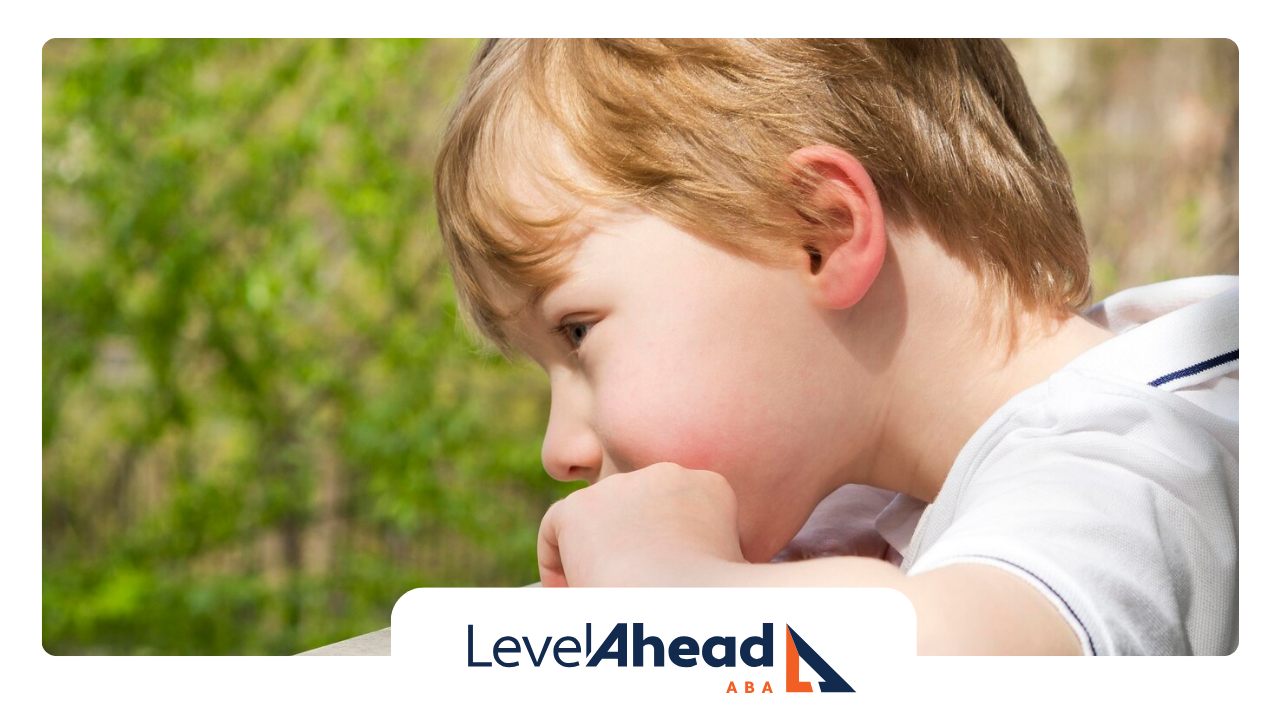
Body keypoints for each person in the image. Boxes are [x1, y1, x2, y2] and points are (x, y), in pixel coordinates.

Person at [432, 39, 1238, 655]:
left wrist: (672, 591)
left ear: (820, 234)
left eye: (577, 334)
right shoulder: (877, 504)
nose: (558, 450)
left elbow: (973, 671)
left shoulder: (1138, 457)